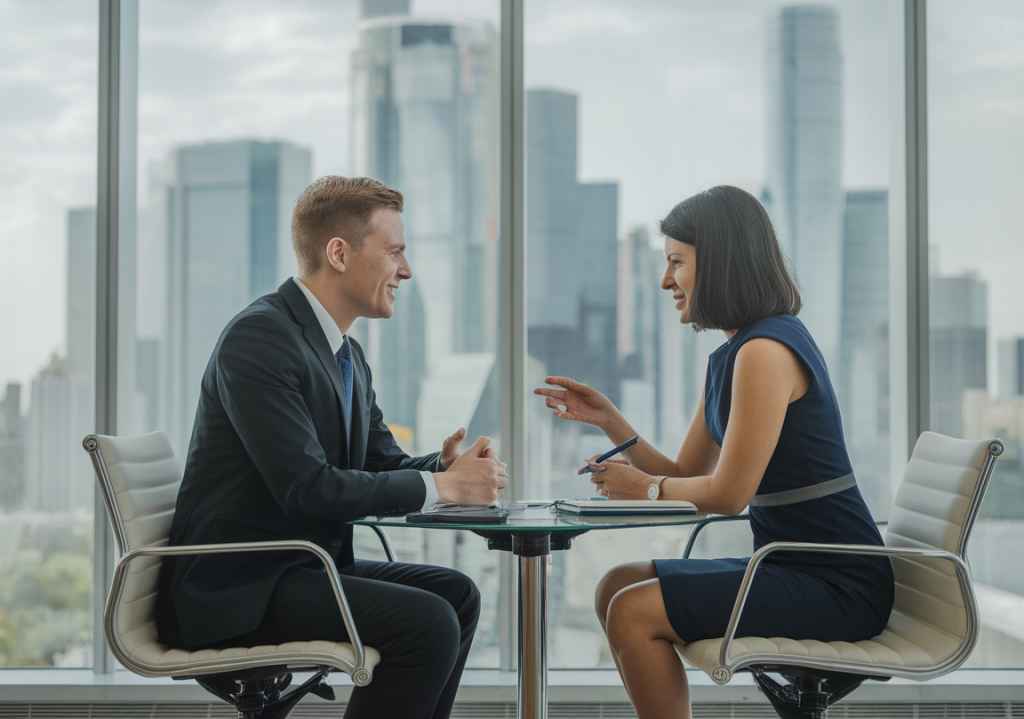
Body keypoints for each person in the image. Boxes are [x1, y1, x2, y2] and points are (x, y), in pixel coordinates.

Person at [534, 185, 894, 719]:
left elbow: (726, 495)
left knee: (633, 610)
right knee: (616, 582)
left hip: (837, 581)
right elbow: (687, 474)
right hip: (788, 566)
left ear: (720, 262)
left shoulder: (766, 352)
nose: (665, 281)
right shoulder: (732, 355)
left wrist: (647, 490)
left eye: (676, 262)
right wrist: (610, 421)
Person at [157, 175, 508, 719]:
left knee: (457, 597)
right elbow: (306, 489)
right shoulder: (261, 338)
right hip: (237, 588)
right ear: (339, 253)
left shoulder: (346, 354)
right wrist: (442, 487)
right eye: (394, 252)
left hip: (298, 568)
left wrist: (442, 467)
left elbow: (380, 464)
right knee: (427, 623)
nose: (406, 271)